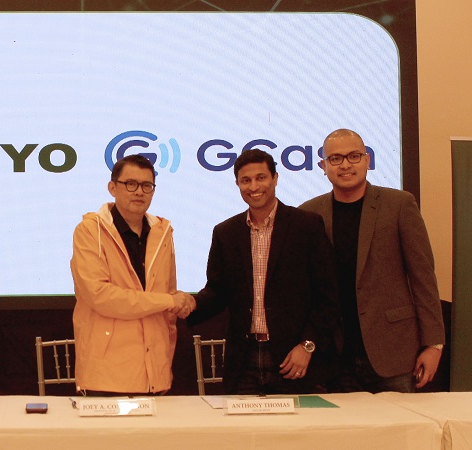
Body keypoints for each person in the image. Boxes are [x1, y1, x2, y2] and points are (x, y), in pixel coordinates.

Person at [299, 128, 445, 393]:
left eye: (353, 156)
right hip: (334, 356)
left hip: (394, 352)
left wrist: (434, 344)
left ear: (367, 160)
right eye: (335, 159)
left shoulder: (399, 204)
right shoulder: (309, 213)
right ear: (323, 166)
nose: (345, 165)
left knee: (401, 421)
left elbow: (423, 277)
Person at [187, 149, 341, 395]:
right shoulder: (225, 233)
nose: (253, 186)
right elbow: (217, 292)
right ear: (237, 184)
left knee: (301, 422)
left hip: (294, 360)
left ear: (275, 178)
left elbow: (328, 295)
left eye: (261, 178)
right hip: (243, 361)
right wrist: (187, 303)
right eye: (245, 180)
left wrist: (307, 345)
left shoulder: (306, 225)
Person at [70, 154, 194, 396]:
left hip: (156, 373)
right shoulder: (90, 231)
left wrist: (180, 301)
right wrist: (169, 300)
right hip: (106, 377)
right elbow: (100, 296)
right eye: (131, 184)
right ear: (112, 187)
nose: (139, 192)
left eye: (147, 185)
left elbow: (168, 295)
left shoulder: (162, 232)